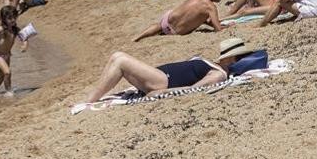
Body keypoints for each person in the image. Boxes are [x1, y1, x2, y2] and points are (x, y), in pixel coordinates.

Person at [84, 37, 255, 103]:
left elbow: (194, 89)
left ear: (230, 59)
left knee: (119, 58)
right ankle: (91, 99)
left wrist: (161, 94)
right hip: (159, 76)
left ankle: (89, 101)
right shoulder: (214, 65)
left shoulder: (219, 74)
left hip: (162, 82)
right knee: (117, 58)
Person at [133, 0, 226, 41]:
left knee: (159, 26)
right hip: (175, 33)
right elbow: (218, 29)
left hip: (167, 18)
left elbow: (195, 14)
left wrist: (208, 23)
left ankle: (138, 37)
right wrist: (224, 27)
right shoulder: (211, 7)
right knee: (168, 30)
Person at [0, 5, 28, 97]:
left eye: (14, 17)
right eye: (9, 18)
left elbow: (24, 37)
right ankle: (9, 91)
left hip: (7, 56)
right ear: (4, 19)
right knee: (7, 72)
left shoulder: (16, 30)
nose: (12, 20)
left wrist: (25, 45)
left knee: (1, 76)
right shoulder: (1, 30)